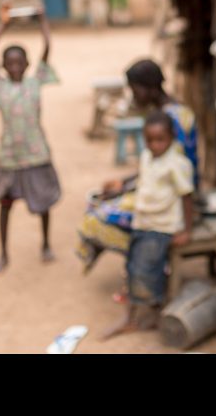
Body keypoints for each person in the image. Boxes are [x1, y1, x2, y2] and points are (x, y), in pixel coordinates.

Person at [75, 59, 199, 278]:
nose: (133, 96)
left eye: (134, 90)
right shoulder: (172, 113)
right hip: (163, 189)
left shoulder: (171, 120)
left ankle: (147, 261)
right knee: (101, 202)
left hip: (170, 199)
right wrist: (124, 184)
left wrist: (127, 188)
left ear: (150, 88)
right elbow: (156, 166)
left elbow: (173, 172)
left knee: (95, 218)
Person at [0, 3, 61, 273]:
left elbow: (47, 47)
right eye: (9, 63)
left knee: (44, 203)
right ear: (2, 66)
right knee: (5, 205)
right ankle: (3, 254)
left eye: (19, 62)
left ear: (27, 64)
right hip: (10, 156)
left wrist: (42, 21)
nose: (15, 67)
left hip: (37, 154)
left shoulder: (35, 82)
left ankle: (46, 244)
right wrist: (4, 24)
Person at [100, 111, 195, 338]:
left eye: (160, 140)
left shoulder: (177, 164)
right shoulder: (146, 156)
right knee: (132, 267)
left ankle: (150, 314)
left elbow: (187, 196)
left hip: (161, 226)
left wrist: (186, 230)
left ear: (172, 137)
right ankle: (132, 316)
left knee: (147, 270)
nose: (154, 145)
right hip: (143, 222)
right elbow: (143, 178)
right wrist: (122, 185)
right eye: (149, 140)